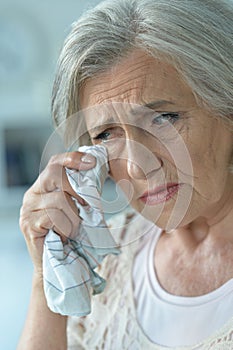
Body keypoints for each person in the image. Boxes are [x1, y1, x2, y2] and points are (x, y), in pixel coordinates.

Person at [18, 0, 233, 349]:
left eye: (164, 119)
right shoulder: (103, 258)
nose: (136, 166)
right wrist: (48, 279)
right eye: (106, 135)